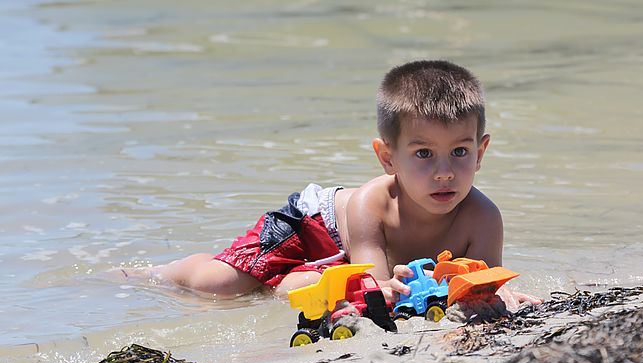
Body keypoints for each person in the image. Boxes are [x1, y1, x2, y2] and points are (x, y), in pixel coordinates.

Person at [150, 60, 542, 310]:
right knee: (220, 285)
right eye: (424, 154)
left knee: (315, 289)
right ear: (388, 158)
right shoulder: (372, 202)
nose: (445, 172)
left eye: (460, 151)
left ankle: (290, 283)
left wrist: (495, 294)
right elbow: (372, 283)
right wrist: (380, 288)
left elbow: (483, 278)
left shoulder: (484, 217)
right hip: (316, 227)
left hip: (350, 261)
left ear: (481, 151)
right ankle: (164, 271)